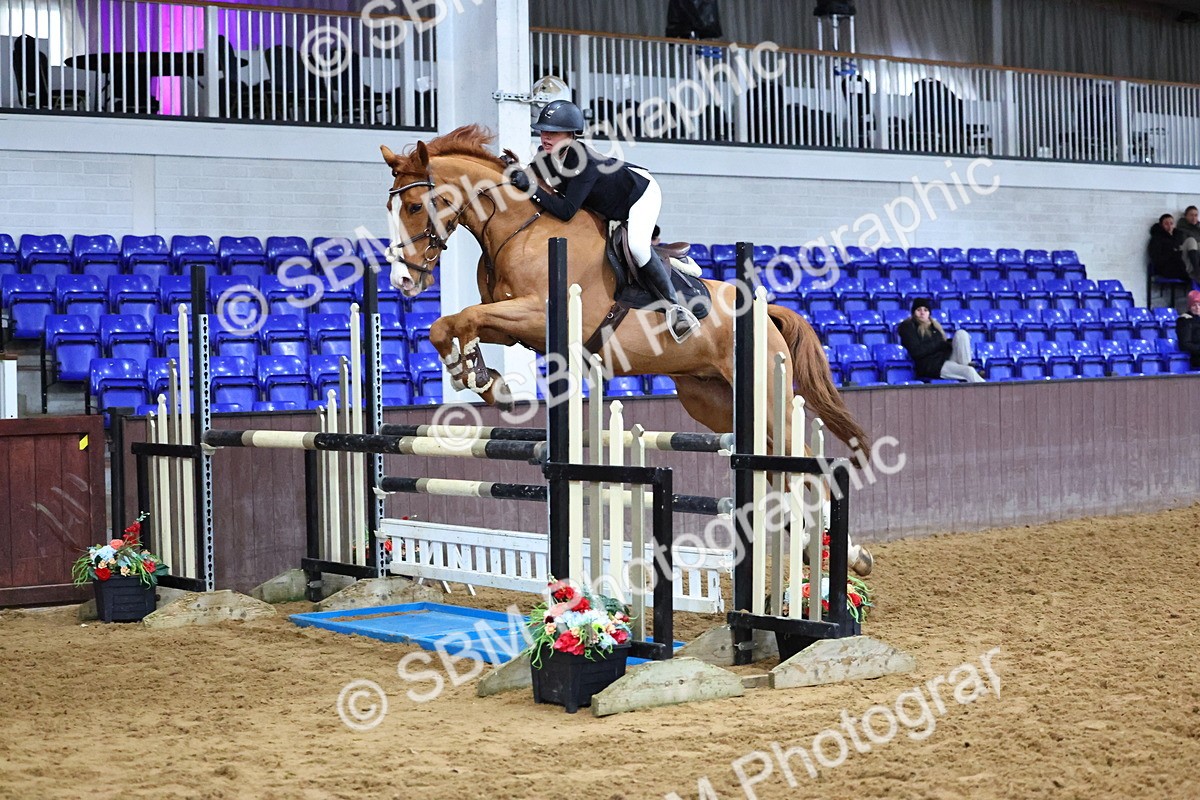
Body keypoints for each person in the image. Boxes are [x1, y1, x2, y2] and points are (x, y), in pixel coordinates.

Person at [510, 100, 700, 343]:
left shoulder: (584, 162)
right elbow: (527, 177)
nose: (545, 137)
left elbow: (567, 210)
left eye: (553, 133)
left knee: (637, 247)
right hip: (611, 202)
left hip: (640, 194)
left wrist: (533, 189)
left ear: (571, 135)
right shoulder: (545, 158)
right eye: (543, 131)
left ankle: (676, 308)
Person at [896, 298, 984, 383]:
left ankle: (966, 364)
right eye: (919, 310)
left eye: (925, 310)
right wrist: (939, 344)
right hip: (931, 366)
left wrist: (948, 344)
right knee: (968, 371)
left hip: (944, 359)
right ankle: (986, 391)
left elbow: (941, 345)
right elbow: (916, 351)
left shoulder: (935, 326)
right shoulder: (908, 327)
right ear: (913, 312)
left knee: (961, 333)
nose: (922, 313)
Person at [1148, 214, 1190, 282]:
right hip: (1165, 268)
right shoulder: (1157, 239)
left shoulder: (1178, 236)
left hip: (1181, 265)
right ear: (1161, 225)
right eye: (1166, 224)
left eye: (1171, 223)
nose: (1169, 226)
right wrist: (1172, 252)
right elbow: (1156, 258)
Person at [1177, 290, 1200, 371]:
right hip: (1194, 357)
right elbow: (1185, 344)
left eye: (1199, 305)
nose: (1197, 308)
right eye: (1194, 305)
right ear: (1189, 307)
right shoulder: (1184, 320)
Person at [1176, 206, 1200, 282]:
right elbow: (1181, 243)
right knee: (1191, 241)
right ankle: (1197, 272)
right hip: (1186, 261)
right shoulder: (1180, 229)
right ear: (1186, 216)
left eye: (1196, 215)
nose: (1194, 218)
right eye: (1191, 215)